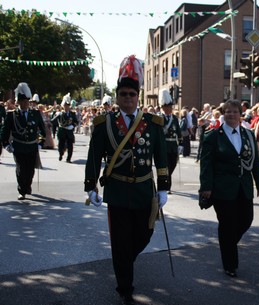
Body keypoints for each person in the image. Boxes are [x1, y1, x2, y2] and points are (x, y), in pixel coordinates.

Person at [84, 55, 169, 305]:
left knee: (144, 235)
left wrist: (163, 188)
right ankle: (125, 286)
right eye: (124, 94)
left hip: (144, 190)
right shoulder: (105, 124)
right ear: (118, 96)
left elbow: (161, 157)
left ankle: (124, 262)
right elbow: (93, 158)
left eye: (132, 94)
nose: (128, 98)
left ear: (138, 96)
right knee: (120, 242)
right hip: (118, 191)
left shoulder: (152, 124)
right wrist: (91, 186)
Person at [199, 99, 259, 277]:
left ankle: (227, 244)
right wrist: (206, 186)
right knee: (227, 225)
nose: (231, 114)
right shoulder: (213, 135)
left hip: (244, 187)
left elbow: (255, 162)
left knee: (246, 220)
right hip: (222, 189)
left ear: (240, 114)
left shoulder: (248, 134)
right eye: (228, 112)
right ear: (223, 114)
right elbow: (206, 163)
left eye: (235, 111)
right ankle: (230, 264)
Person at [0, 82, 46, 200]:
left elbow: (42, 130)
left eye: (27, 102)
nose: (25, 104)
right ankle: (22, 190)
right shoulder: (12, 115)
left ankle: (27, 186)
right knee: (21, 169)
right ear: (18, 102)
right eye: (23, 102)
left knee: (30, 170)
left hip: (31, 147)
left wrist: (40, 143)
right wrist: (6, 144)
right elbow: (4, 131)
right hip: (18, 146)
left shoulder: (35, 114)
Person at [159, 88, 182, 194]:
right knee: (166, 166)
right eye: (167, 107)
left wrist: (180, 143)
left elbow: (178, 131)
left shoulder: (174, 118)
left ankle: (167, 182)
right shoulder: (159, 118)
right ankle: (167, 186)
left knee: (172, 165)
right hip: (164, 145)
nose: (169, 109)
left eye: (170, 107)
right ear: (163, 107)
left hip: (173, 145)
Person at [52, 94, 78, 163]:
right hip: (62, 131)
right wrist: (57, 121)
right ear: (63, 106)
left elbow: (76, 122)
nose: (66, 107)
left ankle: (68, 158)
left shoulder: (72, 114)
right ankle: (61, 154)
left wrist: (72, 126)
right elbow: (53, 121)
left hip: (69, 131)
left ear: (69, 106)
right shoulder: (60, 113)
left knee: (70, 146)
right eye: (65, 106)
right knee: (61, 145)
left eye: (68, 106)